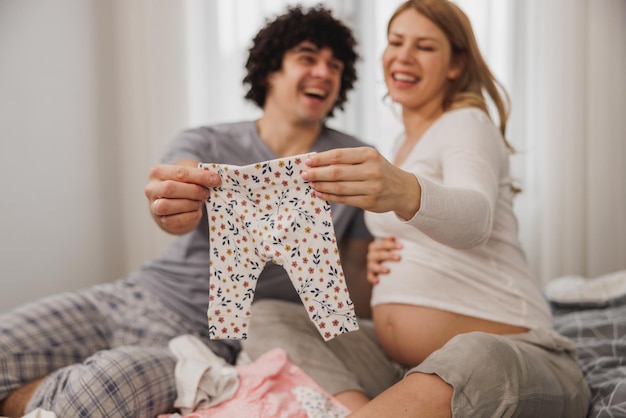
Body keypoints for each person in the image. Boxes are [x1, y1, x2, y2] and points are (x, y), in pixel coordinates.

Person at [0, 5, 390, 417]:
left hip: (204, 341)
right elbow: (176, 187)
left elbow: (356, 284)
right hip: (134, 297)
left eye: (335, 65)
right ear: (272, 69)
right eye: (308, 58)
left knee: (102, 386)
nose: (324, 73)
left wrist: (380, 266)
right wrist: (173, 199)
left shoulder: (350, 163)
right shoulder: (207, 141)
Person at [274, 0, 592, 416]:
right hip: (405, 368)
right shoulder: (399, 146)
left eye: (424, 46)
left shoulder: (466, 123)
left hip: (515, 353)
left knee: (471, 355)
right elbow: (425, 235)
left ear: (455, 64)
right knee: (276, 316)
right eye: (395, 42)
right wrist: (384, 252)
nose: (403, 56)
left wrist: (402, 191)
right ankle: (367, 408)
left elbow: (475, 218)